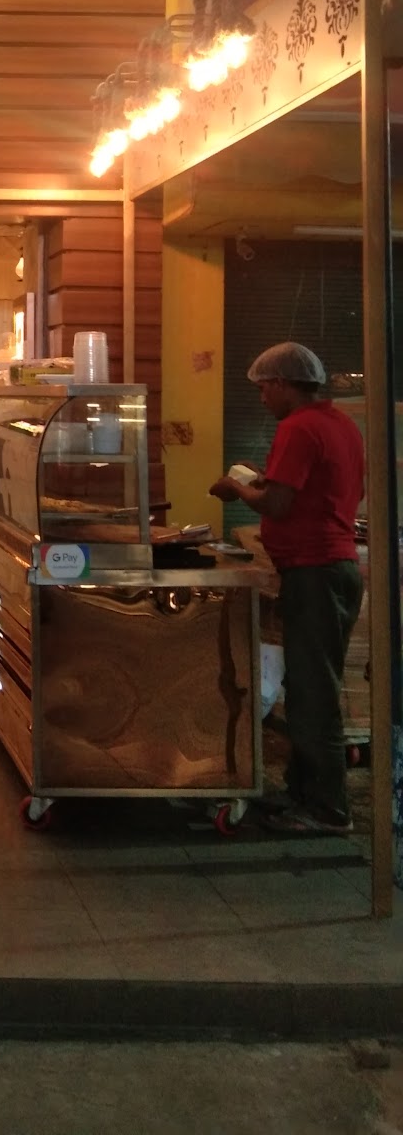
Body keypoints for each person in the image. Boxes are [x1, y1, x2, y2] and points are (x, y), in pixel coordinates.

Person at [209, 341, 365, 836]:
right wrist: (265, 480)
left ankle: (327, 809)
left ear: (281, 384)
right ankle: (303, 793)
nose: (261, 399)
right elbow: (328, 491)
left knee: (313, 693)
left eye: (263, 389)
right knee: (306, 686)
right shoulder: (341, 424)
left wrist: (237, 488)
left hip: (316, 572)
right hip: (334, 569)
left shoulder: (297, 428)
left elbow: (277, 505)